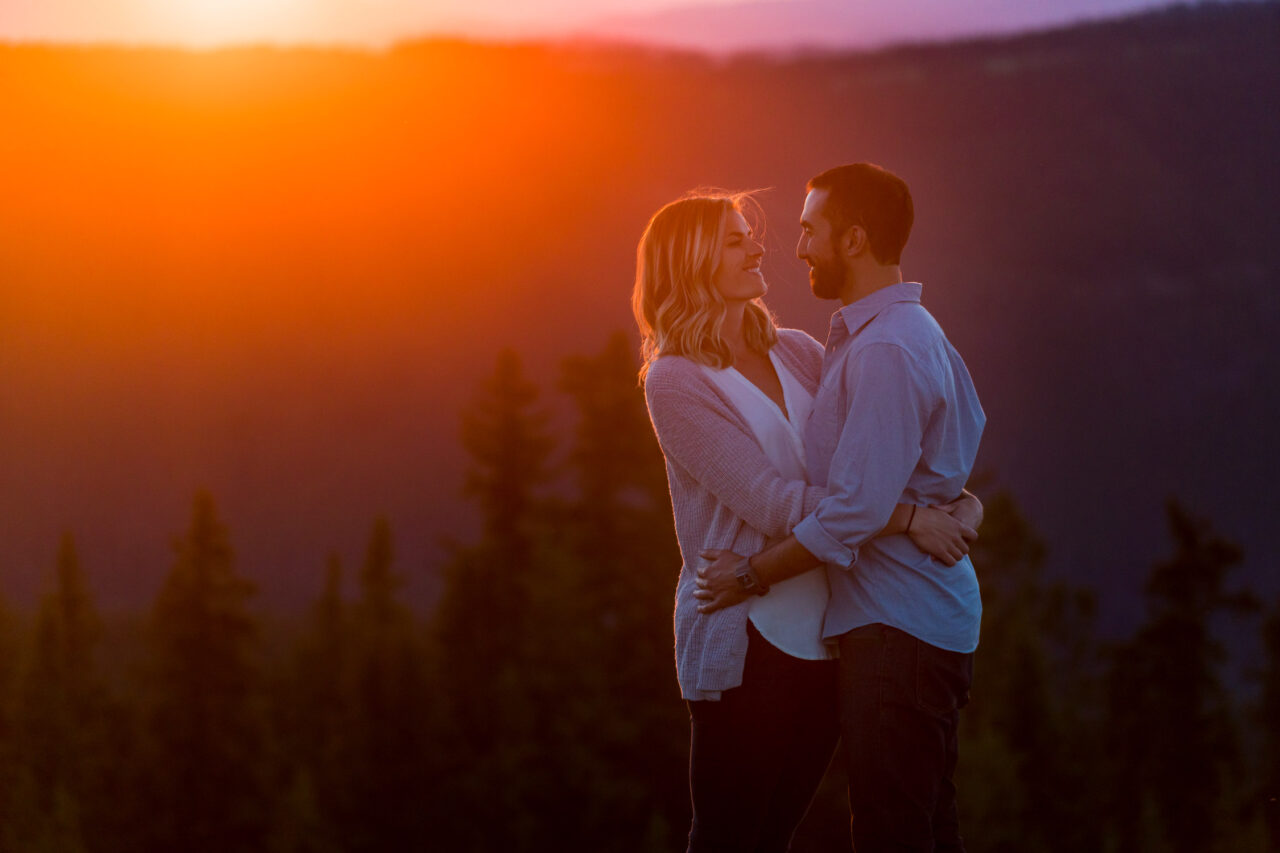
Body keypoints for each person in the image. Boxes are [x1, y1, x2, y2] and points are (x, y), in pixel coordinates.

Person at [633, 190, 982, 853]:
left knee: (780, 831)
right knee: (732, 837)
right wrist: (905, 517)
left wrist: (962, 502)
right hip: (747, 637)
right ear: (692, 261)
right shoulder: (675, 381)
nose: (760, 248)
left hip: (830, 637)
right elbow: (772, 500)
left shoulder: (797, 350)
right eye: (736, 240)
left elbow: (880, 454)